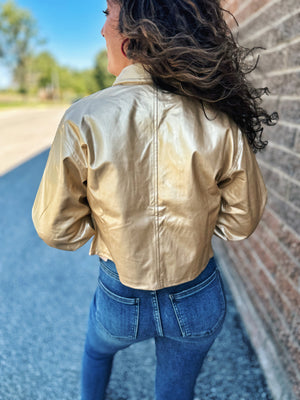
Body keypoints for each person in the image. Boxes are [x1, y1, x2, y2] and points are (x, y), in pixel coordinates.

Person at [32, 0, 278, 399]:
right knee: (176, 392)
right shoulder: (218, 118)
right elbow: (241, 221)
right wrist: (193, 224)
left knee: (96, 351)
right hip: (198, 293)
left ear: (134, 34)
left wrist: (110, 229)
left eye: (106, 16)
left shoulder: (83, 117)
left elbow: (55, 227)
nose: (100, 31)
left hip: (119, 294)